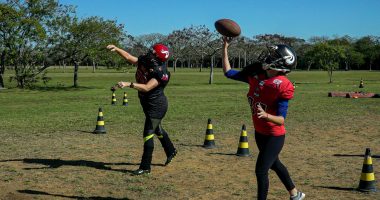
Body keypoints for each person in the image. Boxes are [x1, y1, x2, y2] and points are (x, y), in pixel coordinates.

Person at [222, 37, 305, 200]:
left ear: (281, 64)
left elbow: (281, 119)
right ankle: (295, 194)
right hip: (259, 132)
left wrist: (266, 115)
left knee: (261, 170)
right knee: (274, 164)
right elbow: (228, 72)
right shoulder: (256, 74)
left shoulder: (282, 84)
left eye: (272, 57)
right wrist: (224, 48)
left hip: (275, 135)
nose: (267, 58)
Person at [107, 43, 177, 176]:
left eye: (153, 52)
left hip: (157, 106)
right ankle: (171, 150)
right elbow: (128, 57)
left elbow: (146, 87)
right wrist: (116, 49)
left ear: (157, 57)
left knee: (148, 134)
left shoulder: (161, 72)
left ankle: (145, 167)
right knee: (157, 129)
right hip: (146, 103)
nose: (150, 53)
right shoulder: (146, 60)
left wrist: (129, 84)